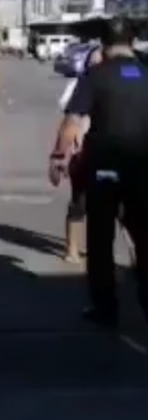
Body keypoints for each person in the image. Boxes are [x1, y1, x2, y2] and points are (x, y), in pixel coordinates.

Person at [49, 17, 148, 328]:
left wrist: (58, 157)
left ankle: (105, 306)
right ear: (132, 43)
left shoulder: (95, 75)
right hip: (143, 166)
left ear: (103, 45)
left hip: (104, 167)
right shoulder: (146, 74)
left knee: (101, 238)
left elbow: (72, 123)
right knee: (144, 234)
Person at [56, 46, 103, 265]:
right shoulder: (79, 84)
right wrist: (61, 155)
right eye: (93, 62)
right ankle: (72, 249)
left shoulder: (114, 85)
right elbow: (68, 115)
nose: (97, 65)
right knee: (79, 202)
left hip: (110, 152)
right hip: (81, 152)